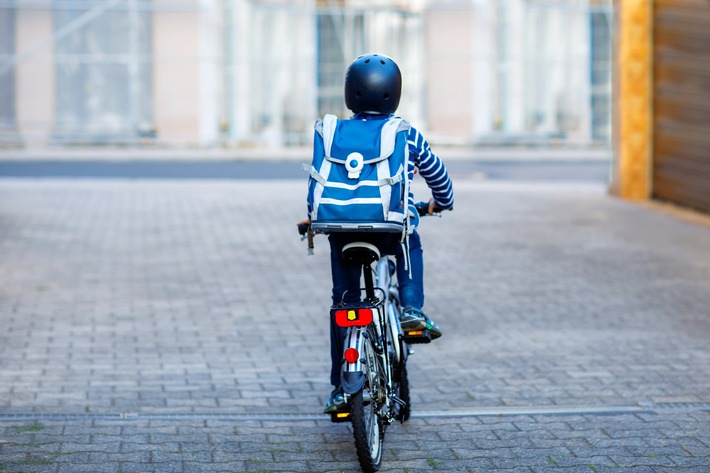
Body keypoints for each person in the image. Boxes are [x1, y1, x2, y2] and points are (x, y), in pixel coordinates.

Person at [305, 53, 454, 414]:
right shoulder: (405, 133)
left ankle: (341, 390)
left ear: (350, 94)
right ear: (394, 93)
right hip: (388, 229)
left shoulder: (332, 131)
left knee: (344, 303)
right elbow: (437, 176)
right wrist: (441, 202)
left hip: (340, 231)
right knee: (409, 239)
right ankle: (411, 309)